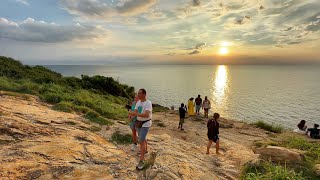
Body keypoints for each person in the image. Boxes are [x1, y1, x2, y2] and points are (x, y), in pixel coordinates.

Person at [129, 88, 152, 170]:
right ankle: (145, 151)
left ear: (144, 94)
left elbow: (146, 115)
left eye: (139, 93)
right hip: (138, 123)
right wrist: (132, 117)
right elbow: (135, 111)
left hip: (146, 123)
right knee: (142, 138)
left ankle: (141, 160)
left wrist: (134, 113)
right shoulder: (138, 102)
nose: (138, 95)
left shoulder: (148, 103)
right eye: (138, 93)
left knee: (141, 140)